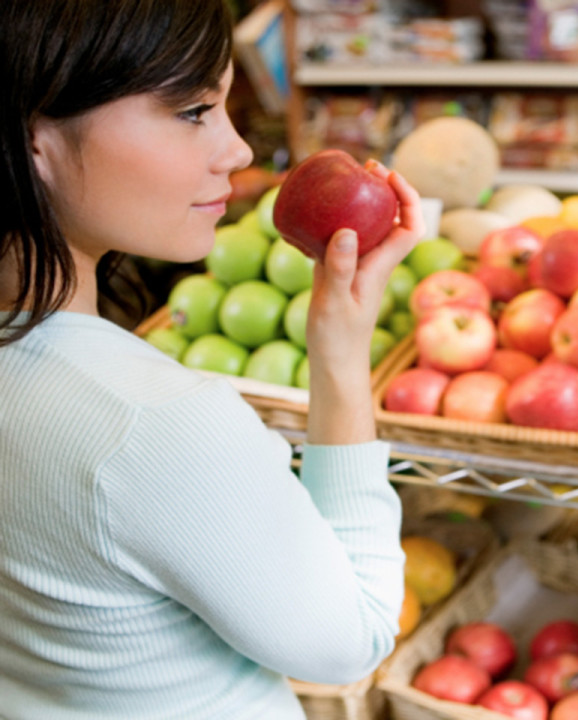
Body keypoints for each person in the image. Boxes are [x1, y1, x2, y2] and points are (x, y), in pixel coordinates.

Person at [0, 1, 424, 718]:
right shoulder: (152, 423)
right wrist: (342, 357)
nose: (239, 151)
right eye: (194, 110)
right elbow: (352, 638)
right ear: (36, 138)